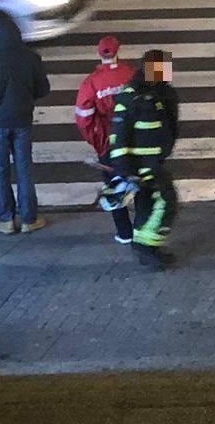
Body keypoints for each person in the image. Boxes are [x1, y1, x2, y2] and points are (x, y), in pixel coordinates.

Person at [0, 15, 50, 234]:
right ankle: (29, 219)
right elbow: (43, 89)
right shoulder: (31, 59)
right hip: (22, 121)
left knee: (0, 170)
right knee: (24, 169)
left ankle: (6, 219)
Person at [106, 49, 181, 270]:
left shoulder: (158, 93)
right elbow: (118, 136)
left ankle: (147, 247)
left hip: (153, 161)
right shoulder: (131, 97)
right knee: (166, 201)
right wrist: (124, 170)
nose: (166, 73)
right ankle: (145, 247)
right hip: (143, 165)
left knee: (146, 204)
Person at [75, 37, 136, 244]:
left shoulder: (91, 83)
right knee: (141, 183)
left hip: (109, 143)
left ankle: (124, 232)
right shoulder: (131, 74)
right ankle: (143, 227)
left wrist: (99, 143)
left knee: (114, 187)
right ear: (118, 51)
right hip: (134, 139)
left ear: (99, 54)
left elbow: (84, 120)